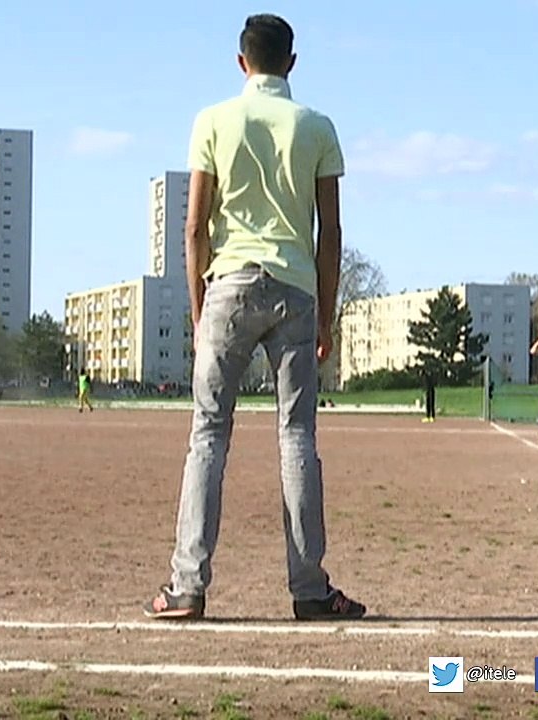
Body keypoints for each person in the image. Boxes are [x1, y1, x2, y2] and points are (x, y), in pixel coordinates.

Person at [144, 13, 365, 622]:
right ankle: (309, 589)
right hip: (294, 288)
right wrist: (326, 314)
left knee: (208, 435)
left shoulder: (211, 121)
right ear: (292, 62)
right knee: (297, 437)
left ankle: (187, 585)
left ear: (241, 62)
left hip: (230, 286)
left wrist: (198, 310)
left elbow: (193, 226)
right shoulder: (317, 126)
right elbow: (331, 232)